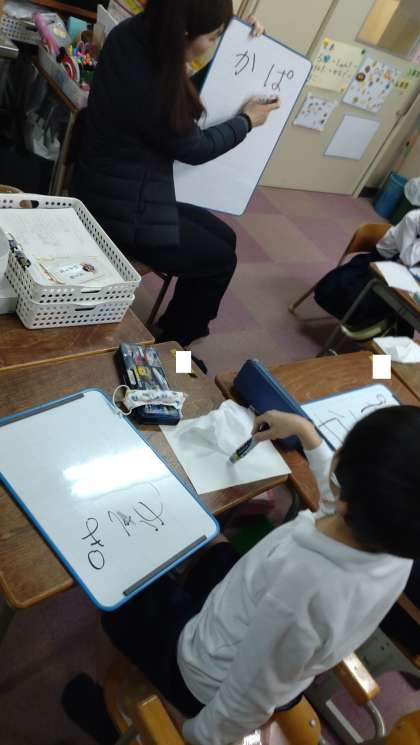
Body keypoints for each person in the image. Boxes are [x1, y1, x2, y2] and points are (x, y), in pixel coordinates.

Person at [89, 405, 419, 745]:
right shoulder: (395, 541)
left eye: (344, 450)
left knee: (117, 596)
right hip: (245, 621)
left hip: (201, 673)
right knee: (212, 542)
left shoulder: (302, 589)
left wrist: (197, 736)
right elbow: (337, 502)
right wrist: (306, 433)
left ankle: (102, 707)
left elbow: (250, 696)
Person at [72, 1, 279, 347]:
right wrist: (246, 121)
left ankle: (176, 324)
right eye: (213, 36)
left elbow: (180, 94)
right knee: (221, 259)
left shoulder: (136, 35)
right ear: (184, 31)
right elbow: (194, 147)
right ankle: (178, 346)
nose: (212, 43)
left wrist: (233, 42)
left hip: (113, 186)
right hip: (121, 211)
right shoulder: (152, 83)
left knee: (225, 237)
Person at [314, 207, 420, 335]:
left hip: (403, 271)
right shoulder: (412, 218)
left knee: (406, 310)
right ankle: (375, 338)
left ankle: (388, 339)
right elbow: (408, 258)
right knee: (399, 308)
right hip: (378, 264)